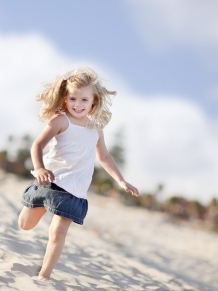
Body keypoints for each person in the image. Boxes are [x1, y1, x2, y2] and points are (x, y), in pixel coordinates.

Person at [18, 66, 139, 281]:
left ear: (94, 102)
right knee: (25, 225)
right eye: (73, 99)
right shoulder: (60, 120)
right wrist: (39, 168)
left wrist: (120, 180)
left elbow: (104, 157)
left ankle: (44, 277)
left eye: (84, 100)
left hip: (74, 190)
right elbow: (37, 145)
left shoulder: (96, 127)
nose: (78, 104)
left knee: (58, 232)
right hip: (50, 182)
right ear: (65, 99)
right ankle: (40, 206)